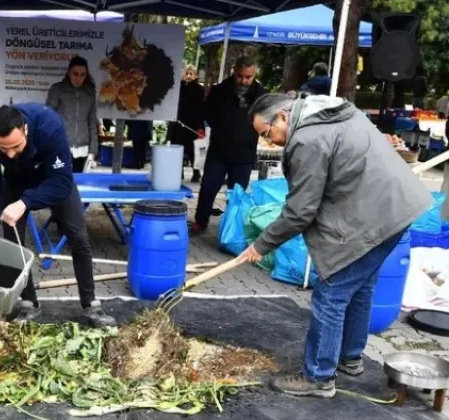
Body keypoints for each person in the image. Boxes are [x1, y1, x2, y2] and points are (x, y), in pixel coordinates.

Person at [241, 92, 432, 398]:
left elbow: (301, 210)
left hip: (377, 215)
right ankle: (351, 358)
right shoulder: (333, 110)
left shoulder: (307, 139)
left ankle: (318, 376)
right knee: (362, 286)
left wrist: (261, 245)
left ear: (283, 117)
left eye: (267, 133)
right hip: (394, 208)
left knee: (330, 294)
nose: (270, 142)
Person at [0, 104, 117, 327]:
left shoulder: (49, 126)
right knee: (15, 245)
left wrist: (24, 203)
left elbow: (61, 183)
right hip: (16, 180)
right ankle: (29, 303)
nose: (10, 153)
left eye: (15, 146)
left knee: (79, 238)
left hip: (54, 180)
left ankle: (91, 304)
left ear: (26, 130)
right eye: (3, 149)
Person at [191, 56, 267, 233]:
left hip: (244, 153)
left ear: (254, 73)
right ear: (234, 72)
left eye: (248, 77)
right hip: (219, 150)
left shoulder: (261, 95)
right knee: (208, 188)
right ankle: (200, 221)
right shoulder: (220, 91)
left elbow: (267, 121)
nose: (244, 81)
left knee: (236, 195)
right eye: (240, 76)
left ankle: (231, 228)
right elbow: (205, 113)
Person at [46, 56, 99, 173]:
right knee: (61, 183)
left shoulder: (90, 93)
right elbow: (48, 118)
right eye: (75, 74)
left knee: (79, 185)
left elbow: (92, 122)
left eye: (82, 75)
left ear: (86, 75)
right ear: (69, 72)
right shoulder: (57, 89)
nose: (78, 78)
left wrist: (93, 150)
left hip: (83, 149)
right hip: (61, 146)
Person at [168, 64, 205, 182]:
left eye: (191, 74)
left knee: (192, 150)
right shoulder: (179, 87)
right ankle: (179, 173)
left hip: (192, 124)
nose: (188, 76)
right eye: (187, 73)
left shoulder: (199, 89)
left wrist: (200, 127)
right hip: (179, 123)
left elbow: (200, 108)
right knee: (177, 148)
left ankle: (196, 172)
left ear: (195, 76)